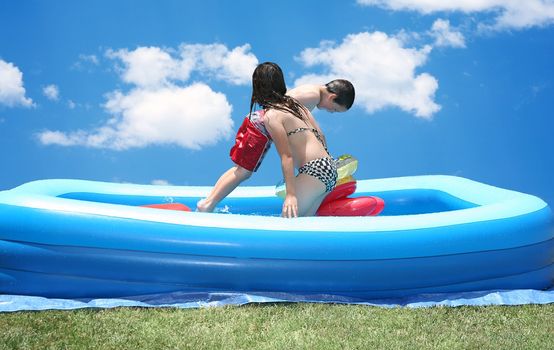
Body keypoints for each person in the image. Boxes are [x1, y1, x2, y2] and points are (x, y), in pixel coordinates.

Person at [196, 63, 355, 216]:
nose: (331, 112)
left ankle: (207, 204)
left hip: (298, 152)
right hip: (323, 166)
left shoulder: (300, 98)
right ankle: (208, 203)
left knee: (242, 171)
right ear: (333, 97)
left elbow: (287, 154)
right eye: (334, 109)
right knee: (243, 172)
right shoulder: (309, 98)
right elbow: (316, 133)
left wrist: (293, 192)